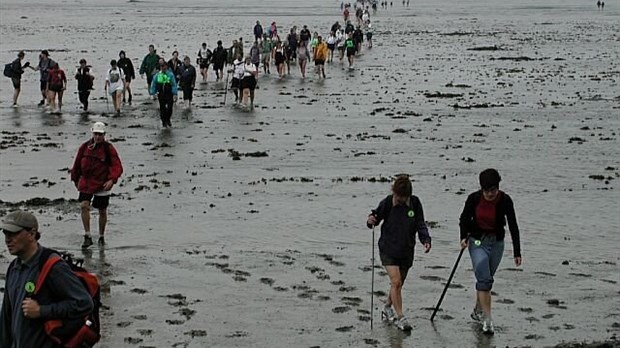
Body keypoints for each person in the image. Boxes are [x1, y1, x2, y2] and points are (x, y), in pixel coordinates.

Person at [0, 210, 94, 347]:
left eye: (13, 234)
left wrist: (41, 311)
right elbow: (6, 318)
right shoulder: (14, 267)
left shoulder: (53, 267)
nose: (7, 239)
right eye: (5, 234)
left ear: (32, 234)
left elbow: (84, 303)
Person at [459, 169, 522, 335]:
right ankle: (487, 320)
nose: (490, 194)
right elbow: (464, 218)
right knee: (484, 280)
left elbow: (513, 225)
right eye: (486, 191)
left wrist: (517, 251)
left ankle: (478, 310)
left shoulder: (505, 200)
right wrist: (463, 237)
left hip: (497, 244)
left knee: (487, 280)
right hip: (477, 241)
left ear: (498, 188)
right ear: (481, 189)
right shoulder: (474, 199)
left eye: (493, 190)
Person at [366, 175, 431, 331]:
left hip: (407, 249)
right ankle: (401, 317)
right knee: (396, 282)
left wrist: (426, 240)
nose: (400, 199)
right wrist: (370, 221)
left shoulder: (415, 203)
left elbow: (420, 224)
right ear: (393, 192)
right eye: (398, 196)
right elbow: (374, 217)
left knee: (399, 283)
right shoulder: (387, 203)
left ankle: (388, 307)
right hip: (388, 248)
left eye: (403, 197)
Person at [71, 122, 123, 248]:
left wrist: (112, 180)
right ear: (92, 133)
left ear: (104, 135)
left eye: (100, 134)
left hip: (102, 183)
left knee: (102, 210)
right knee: (84, 206)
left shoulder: (108, 148)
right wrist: (75, 179)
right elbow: (77, 164)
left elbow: (117, 166)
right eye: (95, 134)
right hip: (86, 182)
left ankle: (101, 236)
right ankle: (87, 235)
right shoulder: (84, 147)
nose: (97, 137)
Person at [149, 61, 178, 128]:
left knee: (170, 108)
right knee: (162, 108)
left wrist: (175, 94)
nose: (163, 68)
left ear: (166, 67)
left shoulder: (170, 74)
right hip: (161, 94)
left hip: (169, 93)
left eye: (164, 66)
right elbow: (153, 84)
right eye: (162, 66)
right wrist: (152, 93)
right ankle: (163, 122)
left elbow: (174, 84)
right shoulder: (157, 75)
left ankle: (168, 119)